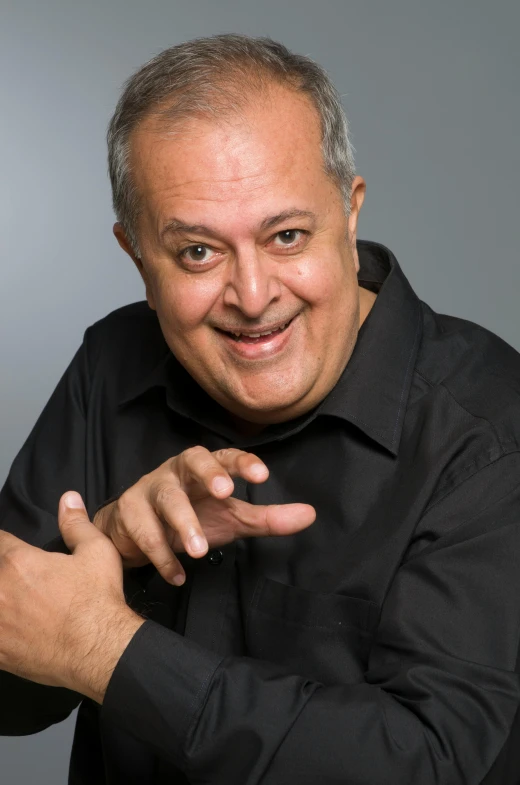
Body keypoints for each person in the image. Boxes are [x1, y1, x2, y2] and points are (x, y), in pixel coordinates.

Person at [0, 33, 519, 785]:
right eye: (198, 253)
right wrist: (111, 550)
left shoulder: (490, 433)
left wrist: (105, 648)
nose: (252, 296)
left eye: (286, 236)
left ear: (349, 212)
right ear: (136, 256)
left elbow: (426, 764)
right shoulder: (110, 367)